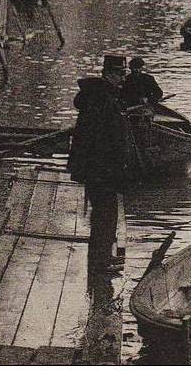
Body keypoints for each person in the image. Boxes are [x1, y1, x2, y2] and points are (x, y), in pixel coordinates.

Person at [70, 55, 129, 271]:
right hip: (102, 169)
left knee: (104, 212)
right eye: (119, 74)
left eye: (124, 73)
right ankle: (100, 262)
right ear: (107, 74)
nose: (123, 78)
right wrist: (115, 167)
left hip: (99, 168)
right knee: (105, 213)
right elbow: (100, 138)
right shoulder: (102, 100)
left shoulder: (100, 96)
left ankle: (102, 257)